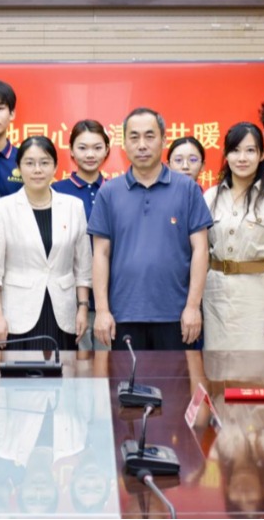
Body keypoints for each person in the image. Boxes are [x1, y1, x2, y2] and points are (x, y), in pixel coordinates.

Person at [88, 107, 213, 350]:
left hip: (177, 316)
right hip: (124, 314)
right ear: (124, 144)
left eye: (149, 136)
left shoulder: (187, 189)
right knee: (128, 376)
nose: (142, 145)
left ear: (164, 140)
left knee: (177, 377)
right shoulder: (109, 192)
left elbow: (201, 250)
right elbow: (100, 254)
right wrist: (102, 311)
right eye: (134, 137)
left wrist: (192, 306)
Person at [0, 136, 92, 351]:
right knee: (19, 372)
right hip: (17, 315)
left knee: (63, 370)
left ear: (55, 167)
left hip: (63, 313)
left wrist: (83, 308)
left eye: (45, 162)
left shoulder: (73, 207)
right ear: (19, 167)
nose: (37, 170)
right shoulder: (2, 209)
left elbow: (83, 267)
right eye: (30, 163)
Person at [202, 122, 264, 351]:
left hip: (259, 298)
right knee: (220, 366)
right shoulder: (210, 197)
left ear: (262, 154)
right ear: (226, 154)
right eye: (235, 150)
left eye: (250, 150)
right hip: (216, 298)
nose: (242, 158)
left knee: (262, 366)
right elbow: (201, 254)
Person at [53, 119, 110, 350]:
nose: (90, 154)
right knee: (77, 364)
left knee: (110, 365)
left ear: (107, 150)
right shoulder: (56, 192)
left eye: (97, 147)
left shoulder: (116, 190)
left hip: (111, 299)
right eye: (83, 147)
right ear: (71, 151)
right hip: (70, 298)